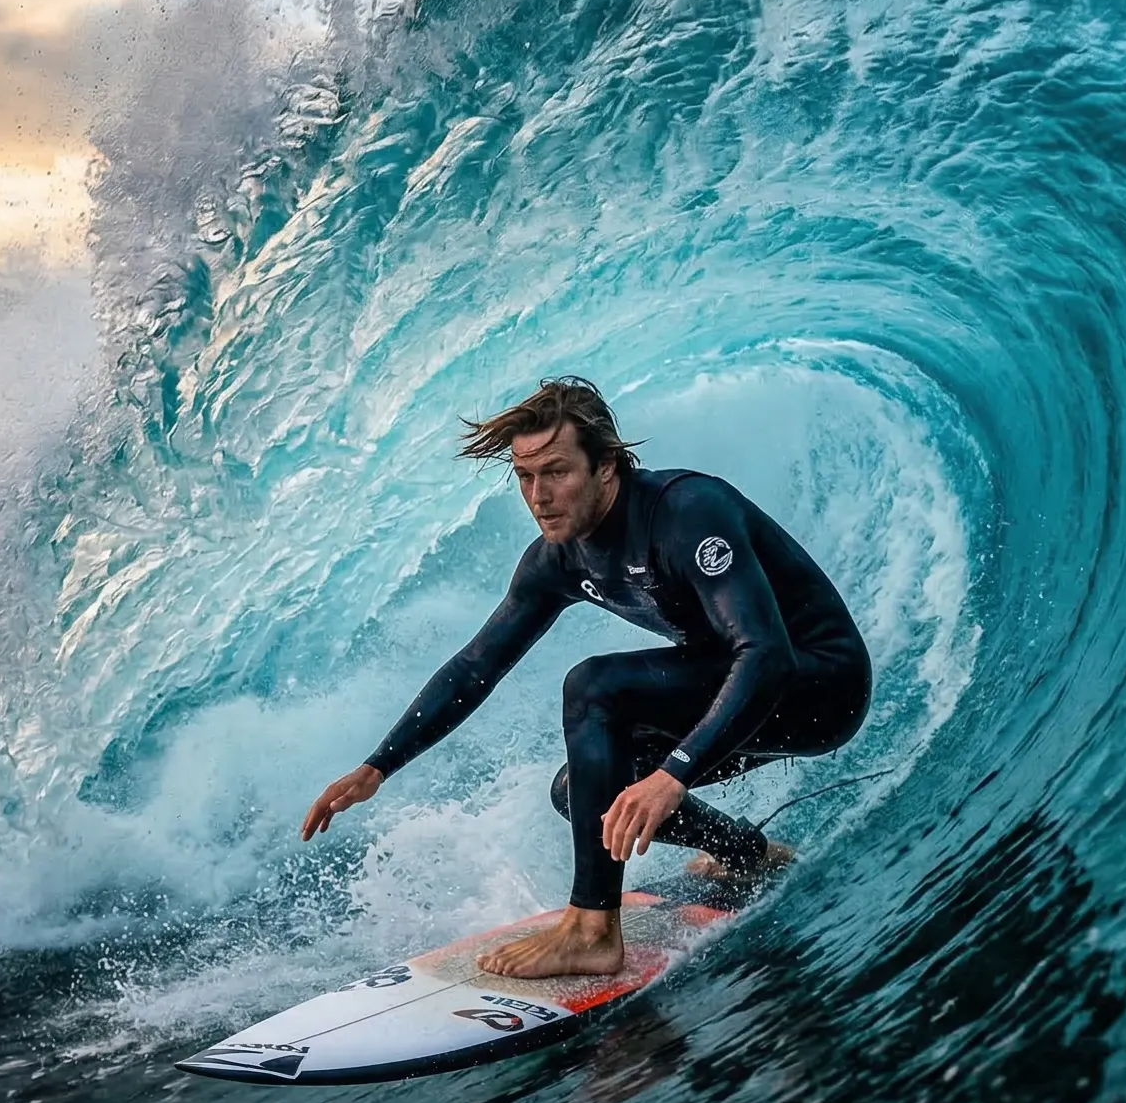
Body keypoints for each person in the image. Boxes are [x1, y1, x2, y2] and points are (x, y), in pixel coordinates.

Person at [301, 378, 871, 978]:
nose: (539, 495)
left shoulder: (687, 512)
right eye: (525, 477)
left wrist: (675, 773)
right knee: (582, 792)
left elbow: (765, 654)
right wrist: (378, 766)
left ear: (607, 466)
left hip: (819, 688)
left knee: (594, 685)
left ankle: (592, 928)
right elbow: (476, 665)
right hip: (747, 692)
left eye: (556, 472)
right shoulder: (559, 559)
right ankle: (748, 855)